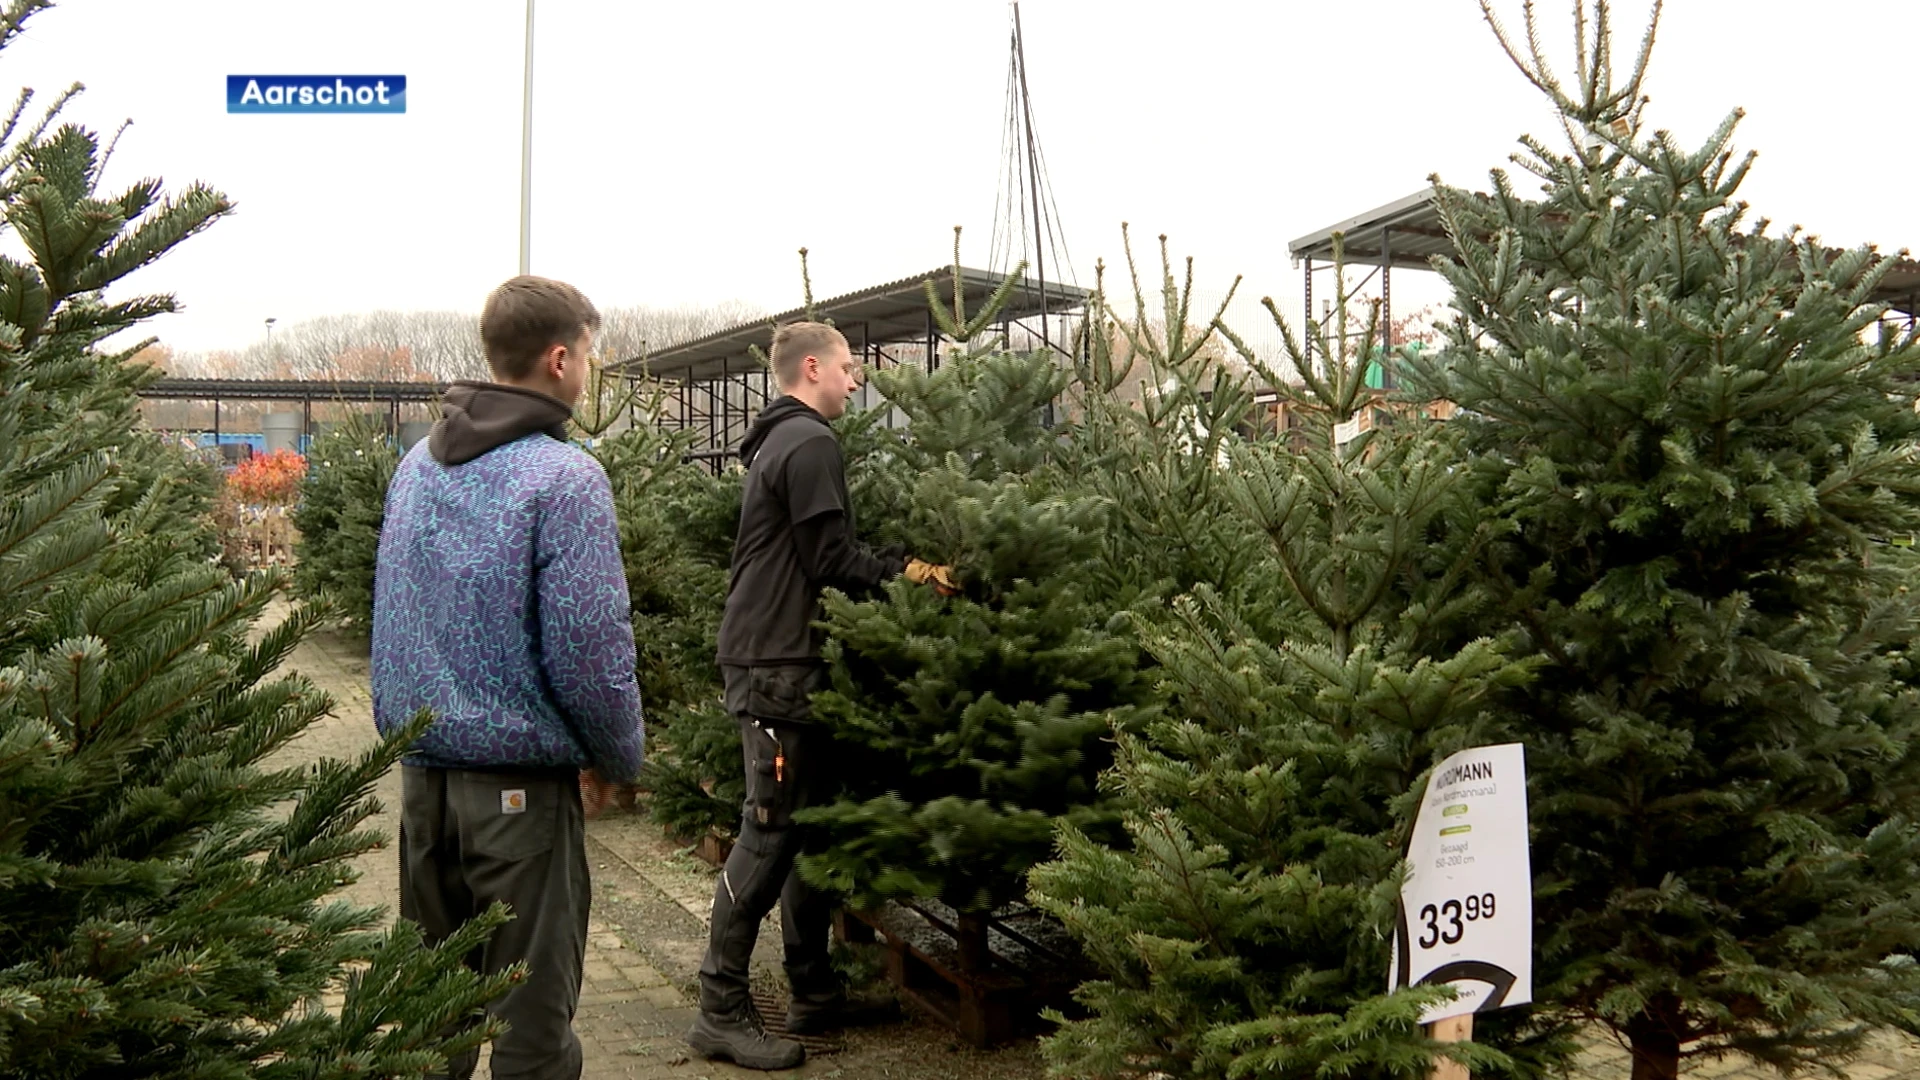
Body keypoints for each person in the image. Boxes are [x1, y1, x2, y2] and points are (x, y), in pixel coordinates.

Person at [371, 275, 645, 1080]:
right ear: (560, 359)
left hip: (425, 789)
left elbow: (395, 612)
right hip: (519, 798)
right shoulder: (565, 478)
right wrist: (617, 756)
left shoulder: (418, 466)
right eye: (589, 354)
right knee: (531, 1031)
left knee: (430, 1021)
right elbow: (590, 645)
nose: (588, 370)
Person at [687, 321, 957, 1070]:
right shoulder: (809, 444)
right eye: (846, 368)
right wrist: (909, 573)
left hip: (787, 658)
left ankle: (811, 989)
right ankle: (719, 1008)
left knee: (803, 830)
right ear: (811, 368)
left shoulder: (784, 439)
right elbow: (830, 558)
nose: (855, 380)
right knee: (769, 832)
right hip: (775, 665)